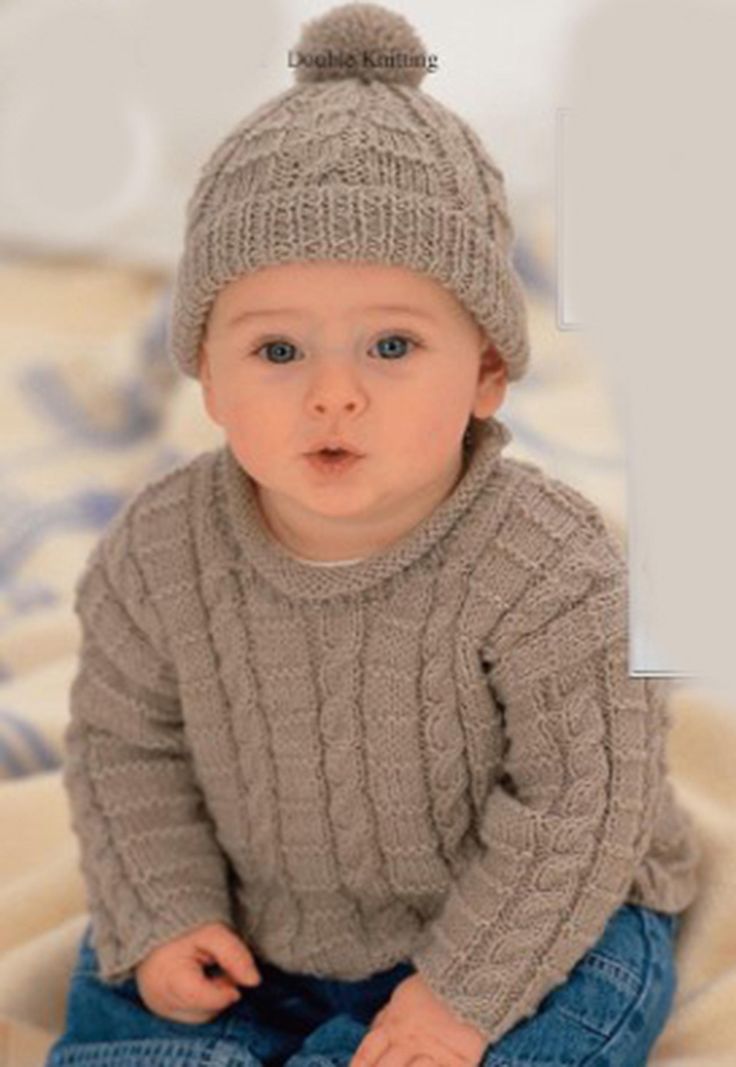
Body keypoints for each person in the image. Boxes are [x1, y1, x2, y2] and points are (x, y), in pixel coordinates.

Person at [46, 3, 700, 1066]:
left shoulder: (551, 568)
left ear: (487, 370)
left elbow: (584, 803)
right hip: (262, 923)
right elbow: (127, 747)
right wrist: (165, 910)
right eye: (276, 350)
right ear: (204, 370)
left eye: (392, 344)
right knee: (128, 978)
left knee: (573, 1003)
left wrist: (459, 996)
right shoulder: (156, 556)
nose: (334, 395)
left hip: (528, 922)